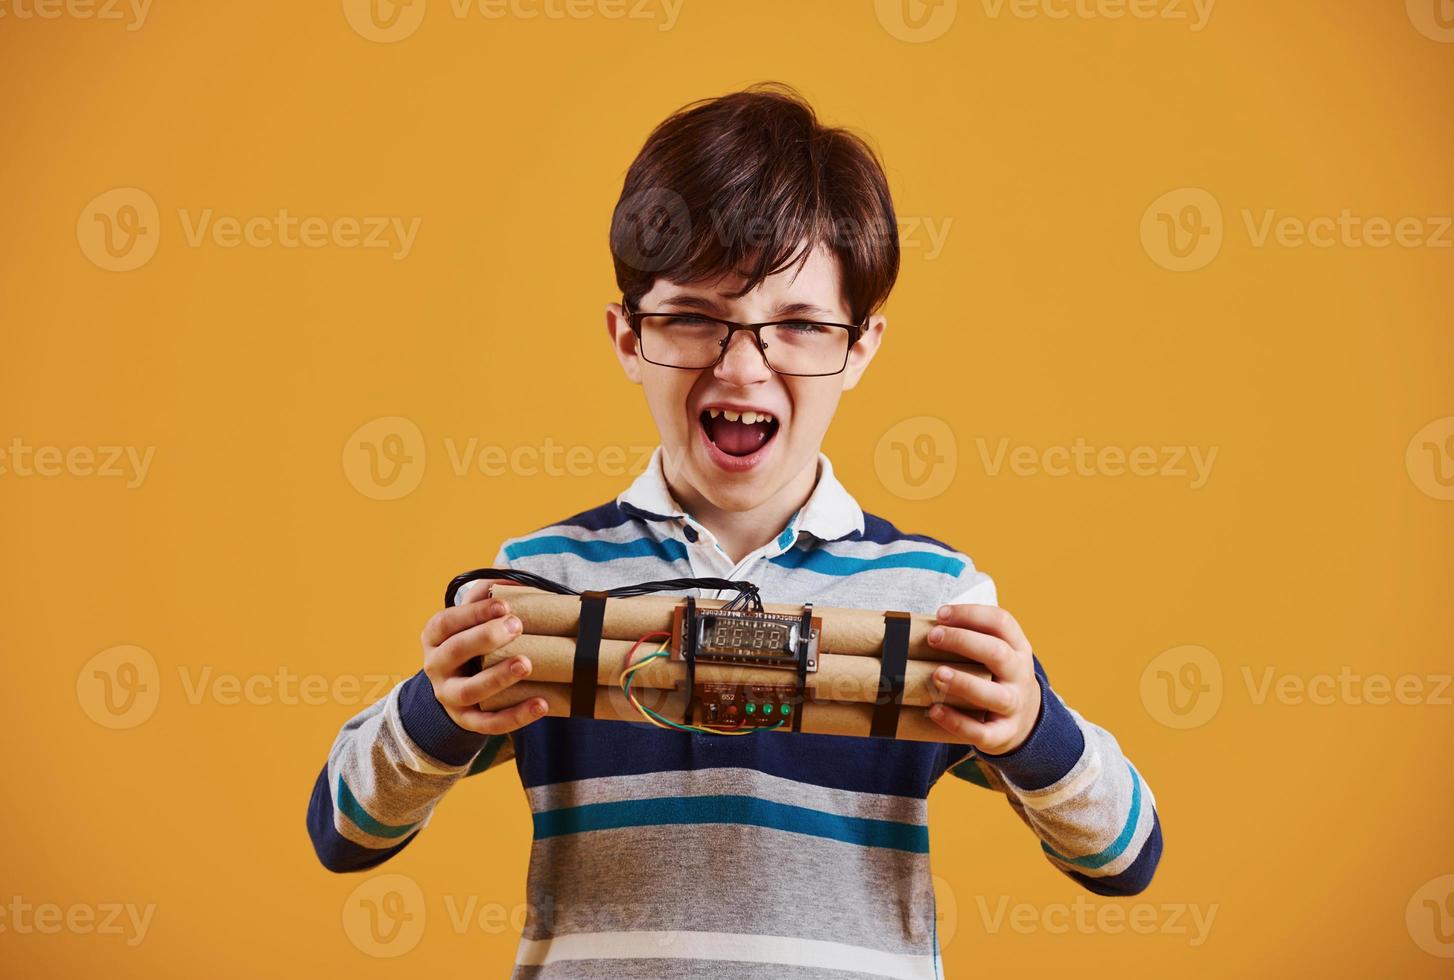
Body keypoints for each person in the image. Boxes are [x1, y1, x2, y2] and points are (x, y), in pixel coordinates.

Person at [306, 82, 1162, 979]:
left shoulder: (930, 597)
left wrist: (1030, 724)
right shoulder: (543, 587)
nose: (742, 365)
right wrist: (434, 713)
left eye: (796, 325)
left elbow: (1124, 853)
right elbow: (344, 830)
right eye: (693, 318)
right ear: (628, 338)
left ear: (860, 347)